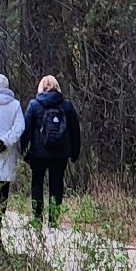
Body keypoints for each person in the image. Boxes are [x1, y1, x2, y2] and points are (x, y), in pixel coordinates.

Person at [20, 75, 81, 227]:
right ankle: (53, 220)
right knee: (57, 184)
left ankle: (37, 218)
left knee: (37, 183)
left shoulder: (34, 104)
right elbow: (75, 130)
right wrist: (75, 152)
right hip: (61, 153)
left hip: (38, 153)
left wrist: (25, 151)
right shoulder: (66, 105)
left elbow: (26, 130)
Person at [0, 74, 25, 207]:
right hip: (7, 150)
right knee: (4, 185)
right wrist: (5, 141)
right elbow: (20, 127)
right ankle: (0, 216)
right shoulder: (15, 105)